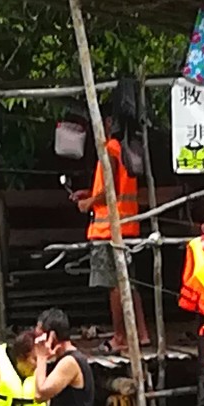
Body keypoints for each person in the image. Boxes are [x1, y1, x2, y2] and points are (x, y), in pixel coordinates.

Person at [71, 111, 148, 347]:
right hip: (125, 226)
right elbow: (110, 187)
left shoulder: (110, 150)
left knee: (115, 285)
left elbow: (109, 191)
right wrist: (90, 194)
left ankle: (120, 337)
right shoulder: (123, 149)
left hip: (109, 230)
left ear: (107, 124)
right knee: (129, 283)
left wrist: (88, 203)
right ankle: (142, 334)